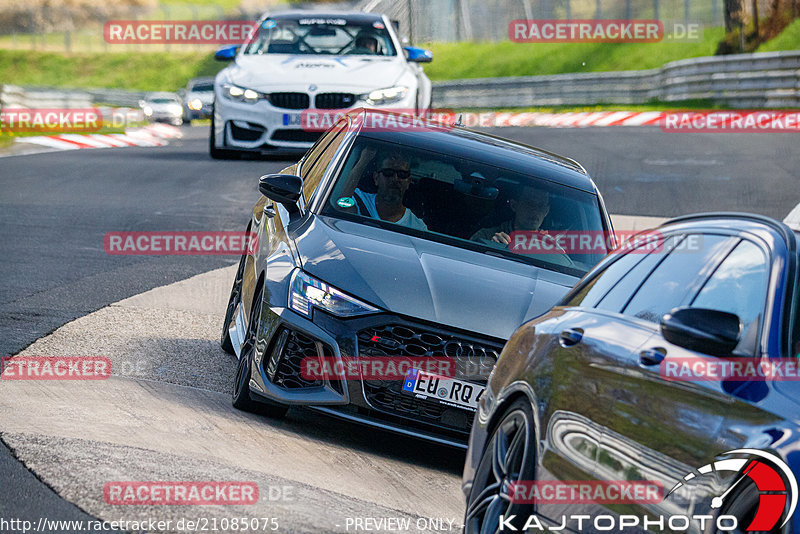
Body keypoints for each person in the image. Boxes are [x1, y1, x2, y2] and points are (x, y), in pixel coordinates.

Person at [343, 148, 428, 231]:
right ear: (376, 178)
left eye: (402, 174)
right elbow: (341, 207)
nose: (395, 179)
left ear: (408, 182)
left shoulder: (417, 228)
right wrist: (363, 161)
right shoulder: (359, 200)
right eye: (388, 173)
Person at [471, 185, 550, 246]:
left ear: (546, 211)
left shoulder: (552, 244)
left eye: (541, 206)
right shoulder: (486, 236)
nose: (535, 210)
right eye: (529, 204)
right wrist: (491, 247)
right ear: (514, 205)